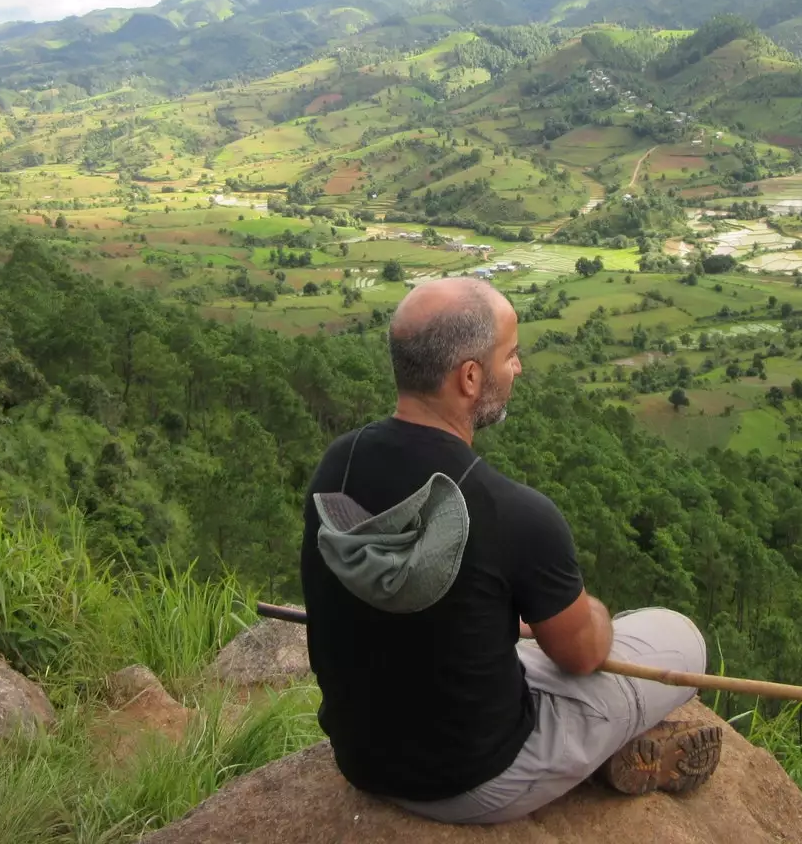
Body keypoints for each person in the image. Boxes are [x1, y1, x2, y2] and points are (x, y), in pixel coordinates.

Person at [300, 276, 720, 825]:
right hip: (473, 780)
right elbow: (583, 656)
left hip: (361, 760)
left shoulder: (338, 464)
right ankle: (593, 759)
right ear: (470, 377)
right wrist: (589, 613)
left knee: (517, 647)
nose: (517, 368)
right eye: (511, 355)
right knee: (679, 639)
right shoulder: (514, 511)